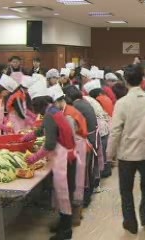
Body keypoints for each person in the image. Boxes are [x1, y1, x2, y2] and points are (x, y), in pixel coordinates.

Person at [107, 64, 145, 235]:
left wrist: (110, 154)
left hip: (127, 153)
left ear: (125, 81)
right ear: (143, 79)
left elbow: (115, 130)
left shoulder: (122, 103)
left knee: (126, 189)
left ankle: (130, 222)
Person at [22, 80, 76, 240]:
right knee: (61, 194)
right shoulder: (52, 110)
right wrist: (31, 135)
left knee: (63, 193)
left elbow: (50, 145)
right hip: (64, 154)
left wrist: (33, 158)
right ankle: (63, 223)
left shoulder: (50, 115)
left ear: (38, 104)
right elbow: (44, 129)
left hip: (63, 157)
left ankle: (66, 231)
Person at [48, 83, 84, 227]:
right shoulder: (65, 110)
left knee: (73, 183)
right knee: (73, 182)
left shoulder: (68, 114)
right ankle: (69, 214)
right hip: (73, 148)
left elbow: (69, 137)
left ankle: (71, 217)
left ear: (58, 101)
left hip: (76, 148)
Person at [62, 85, 99, 208]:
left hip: (82, 142)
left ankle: (82, 201)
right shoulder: (83, 101)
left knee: (81, 175)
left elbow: (70, 133)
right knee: (86, 173)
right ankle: (86, 197)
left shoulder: (72, 109)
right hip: (86, 139)